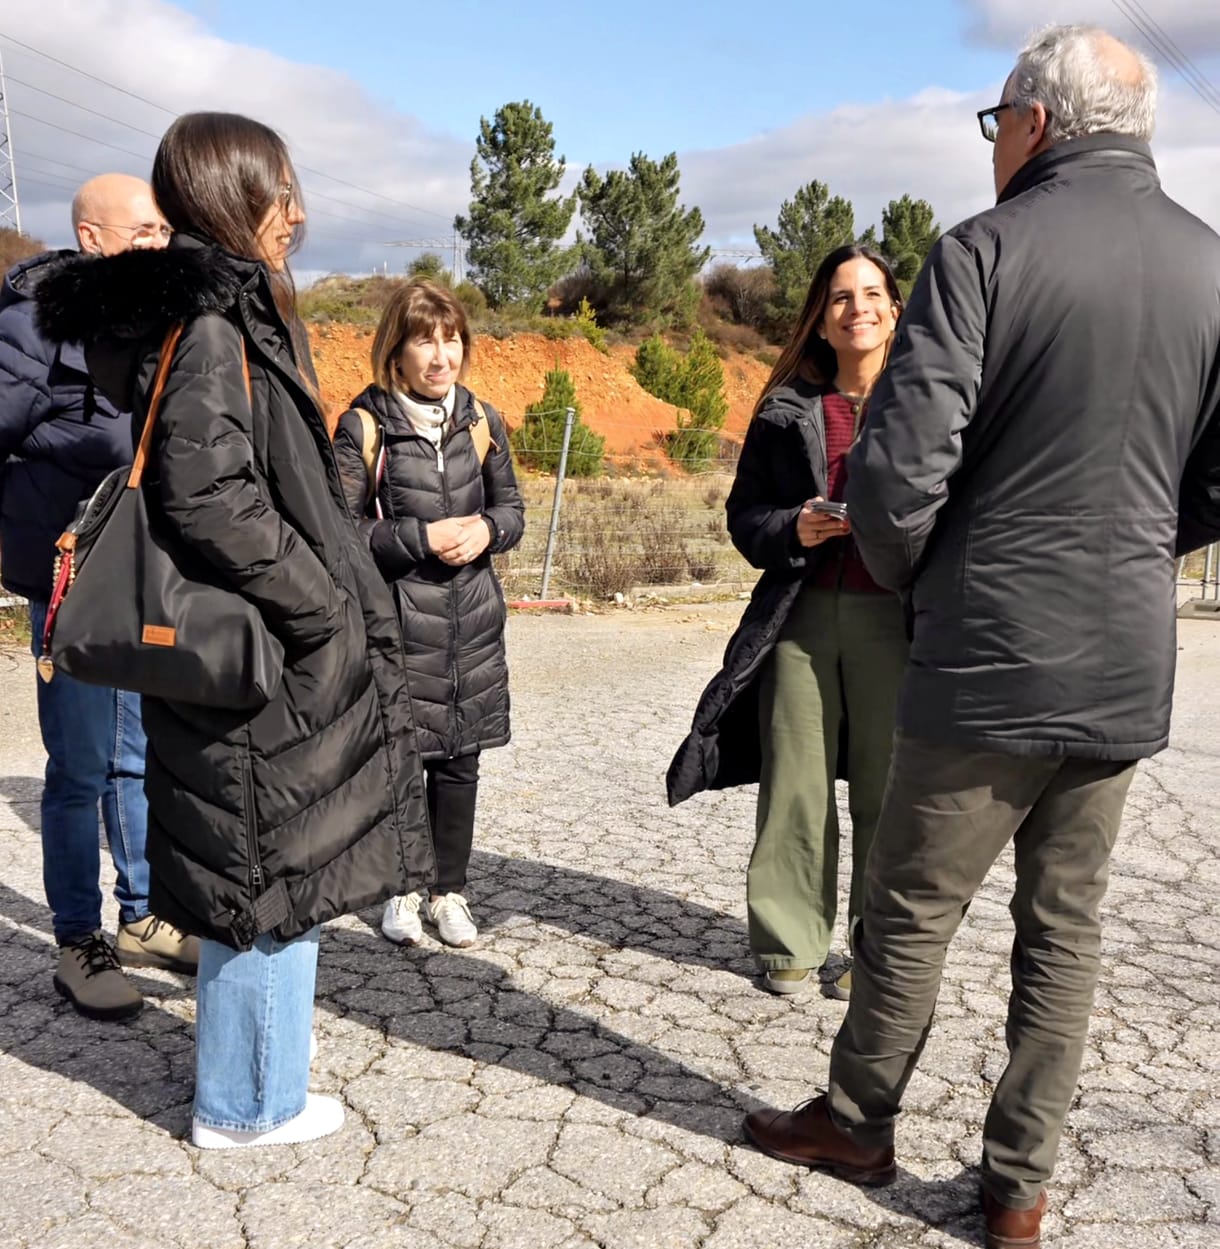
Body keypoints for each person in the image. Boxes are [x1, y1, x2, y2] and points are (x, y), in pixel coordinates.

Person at [742, 24, 1220, 1249]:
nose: (991, 144)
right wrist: (1135, 550)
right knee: (1064, 929)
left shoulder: (980, 251)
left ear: (1034, 122)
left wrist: (922, 580)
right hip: (1124, 658)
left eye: (993, 122)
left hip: (985, 655)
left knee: (910, 906)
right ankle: (1017, 1191)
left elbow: (897, 476)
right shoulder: (1209, 265)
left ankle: (858, 1121)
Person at [36, 113, 434, 1148]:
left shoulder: (218, 311)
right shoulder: (215, 324)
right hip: (264, 644)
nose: (295, 212)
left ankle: (252, 1085)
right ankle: (249, 1105)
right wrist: (318, 603)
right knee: (269, 870)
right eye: (278, 191)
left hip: (253, 643)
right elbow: (207, 492)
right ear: (229, 195)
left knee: (256, 859)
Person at [668, 245, 906, 999]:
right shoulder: (784, 409)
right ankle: (788, 944)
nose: (857, 308)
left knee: (890, 791)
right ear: (821, 320)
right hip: (799, 619)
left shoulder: (929, 404)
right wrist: (792, 527)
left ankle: (880, 955)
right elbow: (745, 517)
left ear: (896, 310)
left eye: (871, 294)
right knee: (795, 786)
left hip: (898, 622)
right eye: (840, 297)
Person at [0, 173, 196, 1022]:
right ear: (91, 237)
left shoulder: (160, 318)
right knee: (79, 767)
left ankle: (143, 916)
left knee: (136, 756)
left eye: (162, 231)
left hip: (143, 572)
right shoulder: (32, 322)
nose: (158, 243)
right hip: (71, 577)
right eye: (142, 230)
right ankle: (78, 939)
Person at [333, 278, 524, 950]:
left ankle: (449, 892)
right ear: (396, 350)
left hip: (471, 623)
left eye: (452, 340)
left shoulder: (481, 421)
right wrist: (419, 537)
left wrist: (487, 531)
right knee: (399, 763)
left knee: (459, 764)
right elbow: (340, 530)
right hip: (396, 625)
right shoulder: (364, 426)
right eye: (424, 341)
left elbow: (512, 510)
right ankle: (400, 890)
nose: (441, 356)